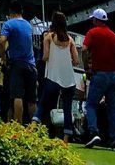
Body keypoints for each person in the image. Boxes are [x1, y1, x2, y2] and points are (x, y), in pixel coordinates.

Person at [31, 10, 79, 143]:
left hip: (52, 77)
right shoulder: (70, 40)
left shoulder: (48, 37)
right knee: (67, 109)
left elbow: (45, 56)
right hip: (69, 79)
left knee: (42, 104)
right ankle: (65, 139)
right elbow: (76, 61)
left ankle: (32, 128)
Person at [82, 7, 115, 151]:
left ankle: (93, 131)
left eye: (93, 19)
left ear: (97, 20)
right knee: (113, 109)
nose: (92, 21)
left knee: (91, 105)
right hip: (114, 75)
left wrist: (87, 67)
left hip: (99, 74)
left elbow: (85, 49)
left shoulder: (92, 32)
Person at [0, 5, 37, 123]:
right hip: (31, 65)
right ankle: (34, 127)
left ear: (11, 12)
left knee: (17, 95)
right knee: (32, 99)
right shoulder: (28, 25)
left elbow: (2, 41)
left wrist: (3, 58)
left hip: (17, 64)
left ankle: (18, 126)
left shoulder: (9, 24)